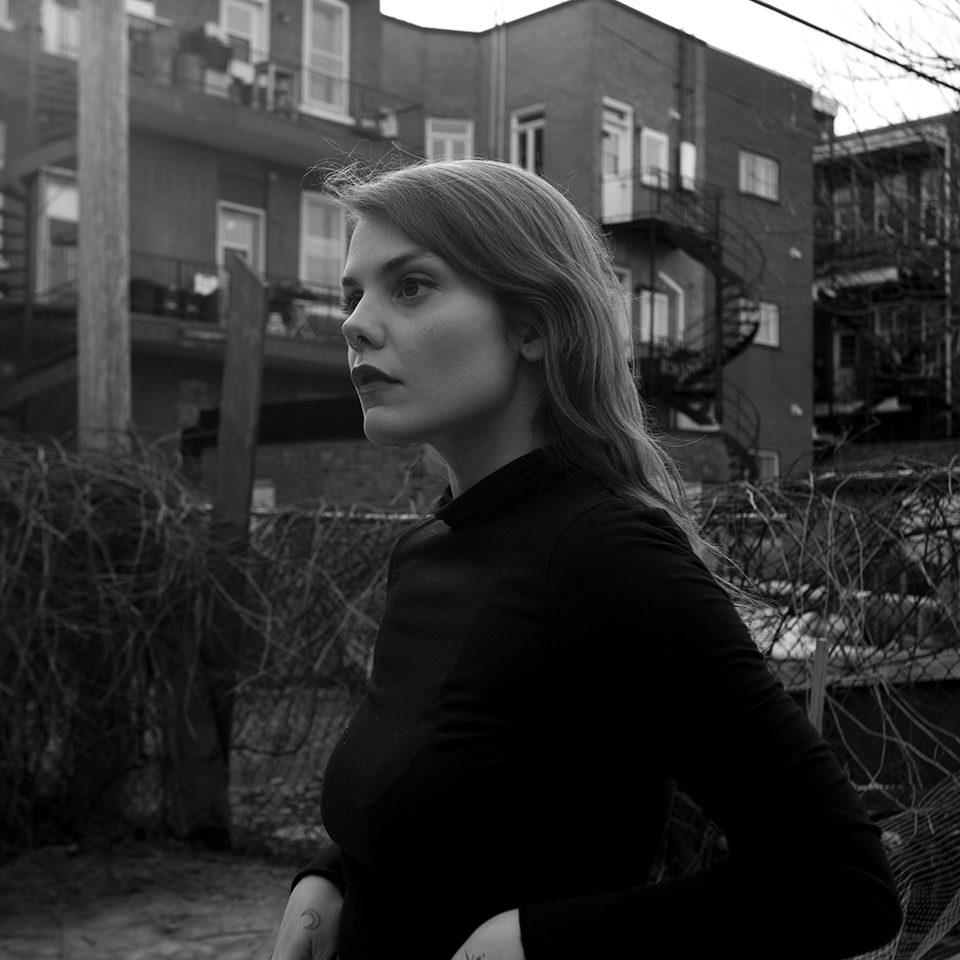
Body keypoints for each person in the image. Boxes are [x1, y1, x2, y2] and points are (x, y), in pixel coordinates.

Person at [268, 158, 902, 960]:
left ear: (534, 325)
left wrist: (533, 941)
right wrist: (332, 878)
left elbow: (839, 882)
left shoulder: (607, 555)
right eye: (352, 294)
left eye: (412, 286)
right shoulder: (430, 551)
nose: (355, 324)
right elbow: (442, 795)